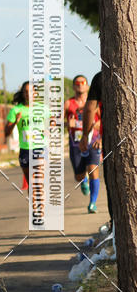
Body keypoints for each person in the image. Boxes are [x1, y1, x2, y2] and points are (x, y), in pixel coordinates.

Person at [4, 81, 47, 199]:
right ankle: (35, 211)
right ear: (23, 93)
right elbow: (6, 133)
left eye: (31, 91)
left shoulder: (43, 109)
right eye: (26, 91)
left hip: (40, 148)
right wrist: (15, 123)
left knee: (38, 181)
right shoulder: (16, 110)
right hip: (25, 150)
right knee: (32, 184)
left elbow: (53, 125)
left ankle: (41, 213)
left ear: (36, 93)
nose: (29, 94)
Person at [65, 74, 102, 213]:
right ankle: (83, 181)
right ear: (74, 86)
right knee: (79, 175)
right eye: (77, 82)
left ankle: (92, 203)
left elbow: (102, 117)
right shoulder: (69, 103)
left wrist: (99, 124)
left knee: (93, 170)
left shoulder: (94, 102)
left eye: (83, 82)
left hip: (92, 142)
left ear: (87, 86)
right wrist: (67, 123)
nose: (80, 84)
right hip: (76, 143)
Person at [80, 70, 113, 225]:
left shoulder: (102, 76)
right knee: (80, 174)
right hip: (95, 140)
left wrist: (85, 135)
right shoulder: (69, 103)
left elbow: (90, 108)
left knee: (113, 183)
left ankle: (115, 225)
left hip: (107, 139)